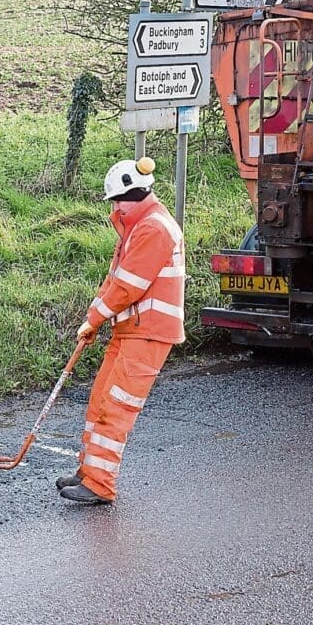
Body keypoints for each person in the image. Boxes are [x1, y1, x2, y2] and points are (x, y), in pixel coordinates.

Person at [57, 157, 185, 506]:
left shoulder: (153, 229)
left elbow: (128, 287)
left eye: (116, 201)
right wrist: (92, 320)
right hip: (129, 329)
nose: (114, 209)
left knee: (116, 407)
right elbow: (113, 282)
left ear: (133, 195)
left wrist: (95, 319)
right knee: (100, 398)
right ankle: (88, 471)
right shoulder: (137, 227)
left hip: (148, 333)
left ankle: (100, 484)